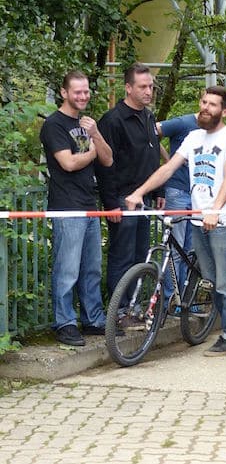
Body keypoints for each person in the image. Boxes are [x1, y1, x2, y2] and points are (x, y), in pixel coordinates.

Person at [125, 85, 226, 356]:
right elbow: (168, 168)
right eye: (203, 102)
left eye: (212, 104)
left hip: (224, 222)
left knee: (225, 281)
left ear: (224, 111)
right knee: (210, 278)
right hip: (198, 220)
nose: (205, 107)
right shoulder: (194, 137)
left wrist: (215, 210)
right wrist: (139, 192)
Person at [39, 70, 113, 346]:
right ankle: (65, 323)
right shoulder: (54, 125)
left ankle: (93, 320)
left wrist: (96, 135)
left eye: (86, 92)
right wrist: (93, 150)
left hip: (89, 203)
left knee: (91, 268)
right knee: (67, 268)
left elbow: (107, 160)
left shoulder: (87, 124)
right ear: (64, 92)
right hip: (66, 206)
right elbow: (68, 163)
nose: (83, 96)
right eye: (77, 92)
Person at [96, 63, 164, 319]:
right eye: (143, 87)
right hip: (123, 199)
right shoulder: (113, 120)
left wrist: (160, 189)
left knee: (140, 255)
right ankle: (120, 309)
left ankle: (134, 304)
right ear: (128, 87)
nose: (149, 91)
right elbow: (104, 164)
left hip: (145, 198)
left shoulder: (148, 116)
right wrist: (111, 202)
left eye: (151, 87)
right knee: (121, 256)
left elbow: (152, 155)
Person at [156, 93, 207, 313]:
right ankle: (170, 300)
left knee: (191, 250)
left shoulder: (216, 131)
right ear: (200, 102)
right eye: (205, 101)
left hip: (198, 194)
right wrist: (170, 160)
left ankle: (186, 299)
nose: (209, 107)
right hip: (177, 191)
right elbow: (153, 130)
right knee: (174, 249)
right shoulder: (183, 122)